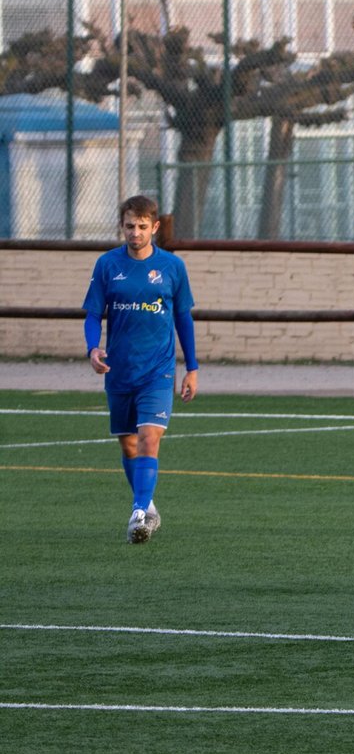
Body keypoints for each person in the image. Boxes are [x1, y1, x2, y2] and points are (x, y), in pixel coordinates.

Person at [82, 194, 198, 543]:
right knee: (129, 445)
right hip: (119, 369)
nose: (136, 233)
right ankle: (147, 505)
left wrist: (192, 367)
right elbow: (93, 315)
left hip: (158, 371)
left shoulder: (172, 267)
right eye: (130, 226)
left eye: (142, 226)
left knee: (149, 438)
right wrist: (93, 348)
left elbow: (183, 319)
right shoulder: (107, 265)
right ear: (122, 226)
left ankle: (138, 514)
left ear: (155, 227)